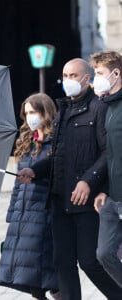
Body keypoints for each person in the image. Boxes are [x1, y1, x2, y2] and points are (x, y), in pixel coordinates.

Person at [17, 58, 122, 299]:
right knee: (63, 263)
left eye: (74, 76)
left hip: (86, 202)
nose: (68, 81)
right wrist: (35, 171)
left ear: (87, 78)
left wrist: (88, 180)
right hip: (60, 200)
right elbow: (57, 155)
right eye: (65, 76)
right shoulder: (62, 110)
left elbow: (109, 152)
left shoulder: (100, 107)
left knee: (90, 261)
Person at [0, 93, 61, 300]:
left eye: (33, 112)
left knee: (46, 272)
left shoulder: (57, 142)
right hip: (23, 215)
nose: (30, 117)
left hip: (44, 213)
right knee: (30, 274)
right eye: (27, 113)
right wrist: (12, 214)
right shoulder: (27, 142)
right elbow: (17, 184)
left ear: (45, 113)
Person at [90, 50, 122, 287]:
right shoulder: (108, 107)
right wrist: (104, 190)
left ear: (116, 73)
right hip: (112, 197)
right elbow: (110, 155)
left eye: (99, 73)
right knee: (104, 253)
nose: (95, 78)